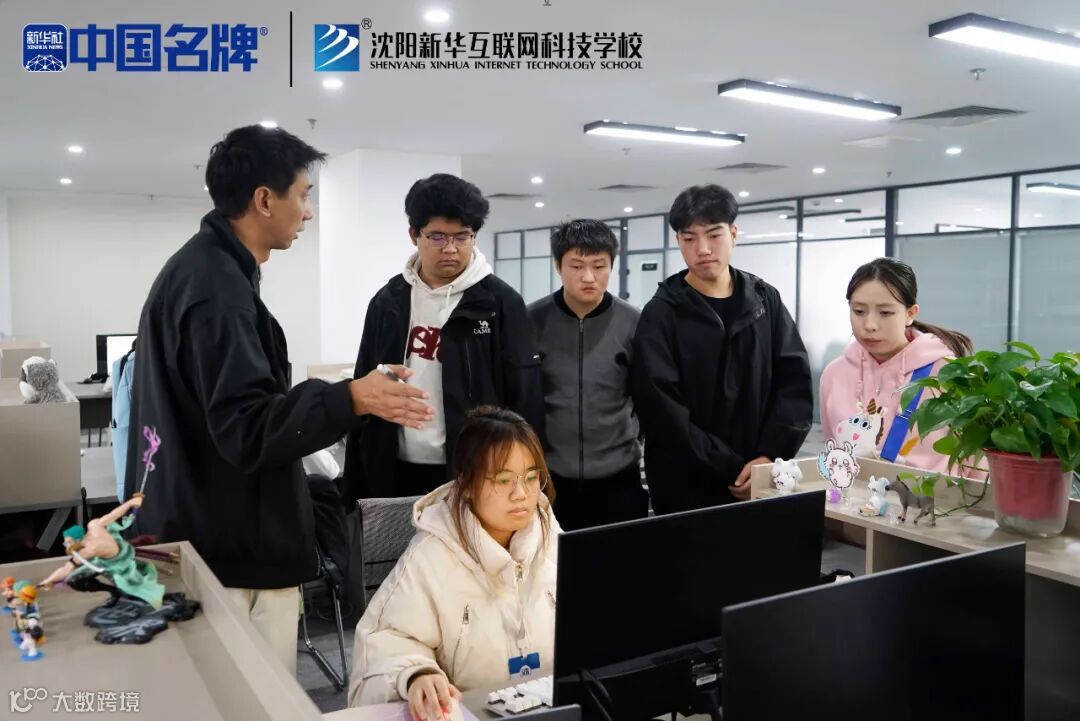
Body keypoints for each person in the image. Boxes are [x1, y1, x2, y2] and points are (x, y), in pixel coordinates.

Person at [126, 125, 433, 675]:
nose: (309, 212)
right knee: (254, 699)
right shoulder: (216, 289)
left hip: (207, 531)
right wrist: (351, 398)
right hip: (228, 551)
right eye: (304, 195)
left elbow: (233, 407)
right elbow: (246, 428)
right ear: (265, 200)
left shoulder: (210, 271)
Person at [343, 174, 545, 500]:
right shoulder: (388, 301)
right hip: (395, 467)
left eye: (462, 237)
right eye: (437, 237)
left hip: (475, 467)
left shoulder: (499, 303)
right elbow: (366, 383)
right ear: (414, 235)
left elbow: (524, 397)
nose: (450, 249)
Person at [348, 407, 558, 719]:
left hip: (551, 706)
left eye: (531, 477)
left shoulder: (551, 537)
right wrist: (417, 674)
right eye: (503, 480)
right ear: (467, 484)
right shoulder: (430, 556)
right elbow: (386, 641)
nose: (521, 494)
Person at [631, 184, 813, 513]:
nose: (702, 249)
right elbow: (662, 410)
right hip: (685, 483)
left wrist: (768, 456)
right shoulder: (661, 313)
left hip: (761, 475)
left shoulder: (764, 301)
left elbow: (793, 383)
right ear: (678, 241)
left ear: (733, 234)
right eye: (689, 238)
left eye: (714, 235)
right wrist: (731, 467)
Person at [527, 219, 647, 529]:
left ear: (612, 266)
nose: (589, 277)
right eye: (577, 266)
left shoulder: (634, 323)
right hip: (550, 478)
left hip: (619, 477)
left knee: (620, 558)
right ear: (558, 266)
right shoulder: (531, 321)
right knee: (555, 559)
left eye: (599, 266)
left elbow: (647, 396)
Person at [819, 257, 975, 474]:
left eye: (885, 313)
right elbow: (834, 454)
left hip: (934, 495)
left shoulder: (947, 373)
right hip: (853, 495)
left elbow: (975, 461)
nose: (870, 325)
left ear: (910, 314)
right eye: (859, 311)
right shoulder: (834, 374)